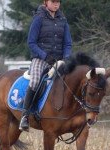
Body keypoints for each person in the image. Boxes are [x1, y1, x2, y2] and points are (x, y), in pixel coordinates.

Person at [19, 0, 72, 131]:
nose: (56, 4)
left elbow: (67, 43)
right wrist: (44, 56)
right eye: (53, 2)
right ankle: (25, 115)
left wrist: (66, 57)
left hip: (59, 60)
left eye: (58, 2)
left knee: (70, 81)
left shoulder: (63, 20)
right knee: (36, 81)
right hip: (41, 59)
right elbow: (31, 42)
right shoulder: (38, 18)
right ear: (46, 2)